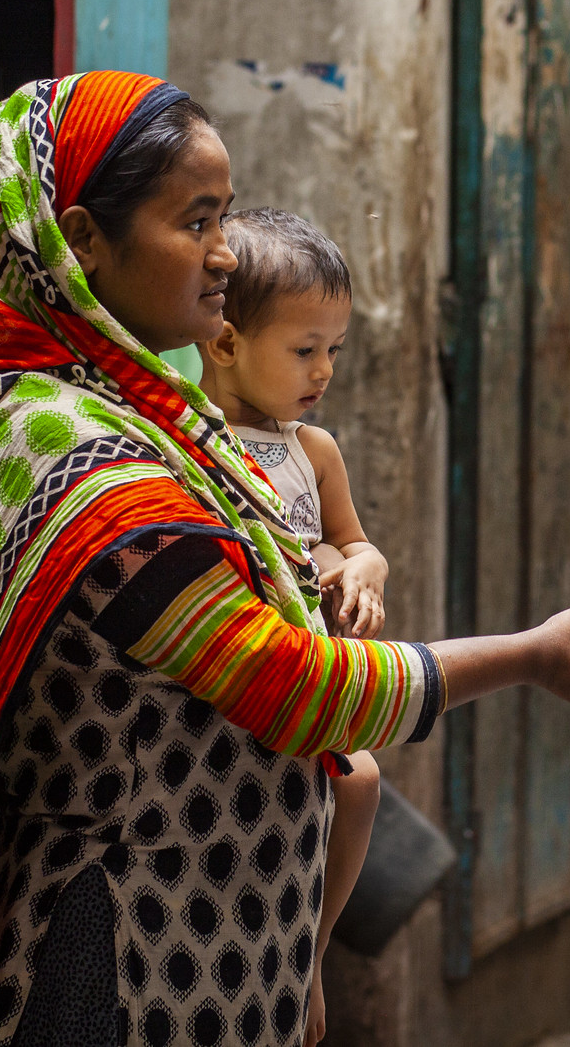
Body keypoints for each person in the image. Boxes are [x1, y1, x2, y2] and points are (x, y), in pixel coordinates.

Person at [0, 72, 570, 1047]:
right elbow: (299, 692)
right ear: (82, 240)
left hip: (212, 948)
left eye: (223, 217)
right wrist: (534, 655)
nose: (223, 255)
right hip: (116, 964)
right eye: (195, 221)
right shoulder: (73, 455)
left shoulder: (133, 413)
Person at [195, 205, 386, 1037]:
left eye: (333, 350)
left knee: (363, 780)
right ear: (226, 342)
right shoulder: (188, 442)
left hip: (310, 683)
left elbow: (354, 543)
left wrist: (362, 574)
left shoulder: (314, 451)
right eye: (304, 350)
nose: (324, 371)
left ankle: (310, 952)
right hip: (231, 688)